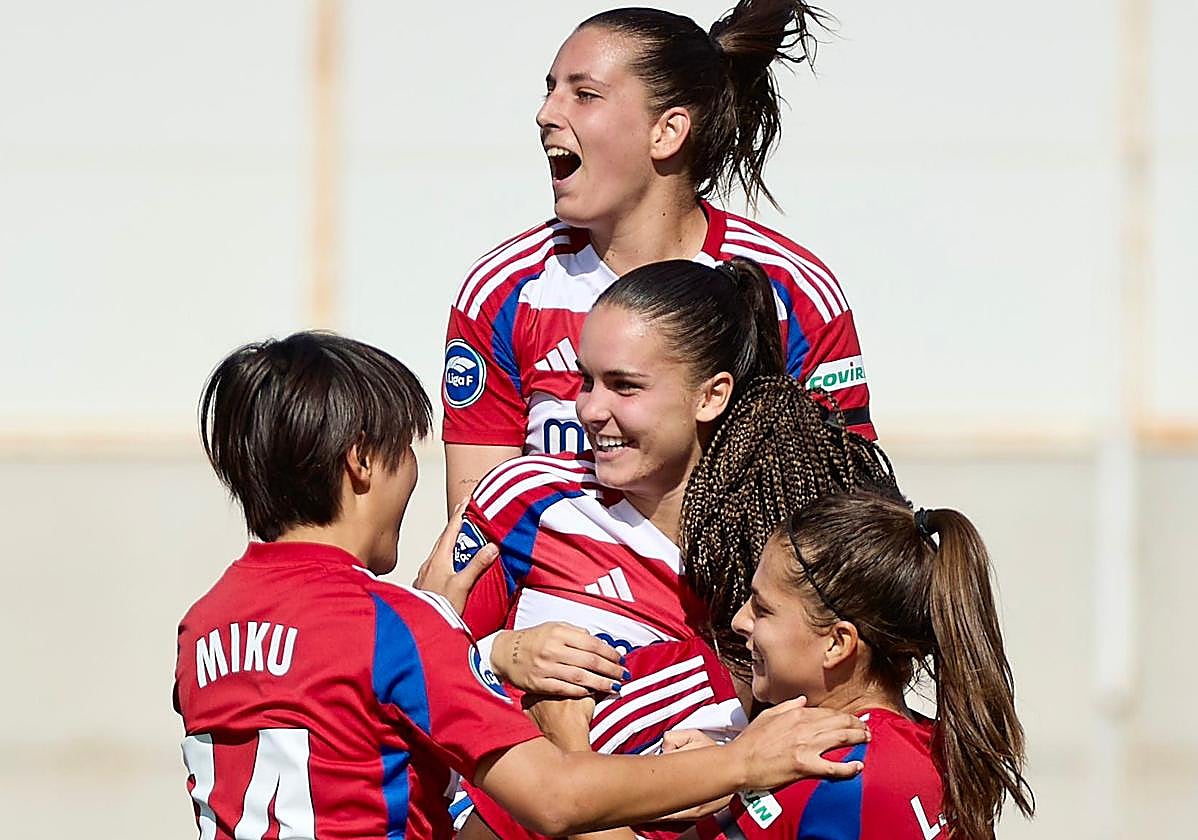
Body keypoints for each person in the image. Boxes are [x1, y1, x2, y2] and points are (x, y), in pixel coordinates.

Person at [173, 331, 871, 839]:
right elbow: (553, 800)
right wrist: (741, 762)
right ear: (361, 463)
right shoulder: (397, 624)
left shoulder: (203, 623)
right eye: (405, 452)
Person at [443, 0, 875, 512]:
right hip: (554, 593)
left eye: (584, 95)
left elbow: (847, 516)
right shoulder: (503, 291)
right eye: (550, 89)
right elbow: (477, 533)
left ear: (667, 131)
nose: (546, 114)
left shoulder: (791, 290)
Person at [449, 259, 893, 703]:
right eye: (587, 380)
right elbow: (419, 669)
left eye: (624, 386)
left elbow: (850, 716)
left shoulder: (782, 548)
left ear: (711, 396)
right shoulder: (525, 499)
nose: (589, 409)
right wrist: (500, 653)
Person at [521, 492, 1036, 840]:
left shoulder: (842, 773)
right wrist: (704, 779)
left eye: (762, 608)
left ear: (837, 643)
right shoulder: (913, 742)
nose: (741, 621)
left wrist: (569, 749)